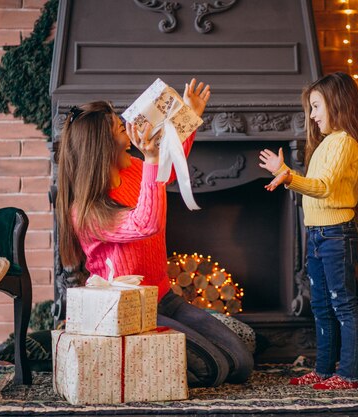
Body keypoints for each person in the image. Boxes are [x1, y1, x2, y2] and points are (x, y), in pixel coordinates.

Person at [56, 79, 253, 388]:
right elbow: (145, 224)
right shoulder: (86, 211)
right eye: (117, 127)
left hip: (164, 299)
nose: (125, 125)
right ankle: (135, 369)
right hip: (130, 311)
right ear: (101, 145)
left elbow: (167, 169)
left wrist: (189, 115)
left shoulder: (133, 168)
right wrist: (150, 159)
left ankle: (165, 358)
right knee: (215, 368)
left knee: (241, 363)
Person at [258, 72, 358, 390]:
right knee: (321, 305)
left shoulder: (344, 144)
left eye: (315, 106)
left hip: (337, 235)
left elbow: (323, 187)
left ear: (336, 104)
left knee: (343, 303)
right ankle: (325, 369)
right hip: (318, 234)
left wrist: (287, 175)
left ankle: (349, 374)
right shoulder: (328, 144)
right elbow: (314, 187)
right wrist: (286, 179)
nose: (311, 116)